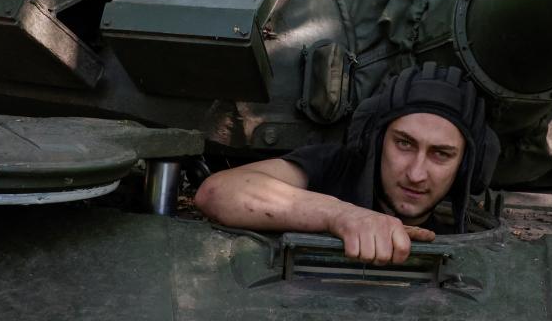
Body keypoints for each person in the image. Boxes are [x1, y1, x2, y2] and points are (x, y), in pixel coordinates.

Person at [195, 62, 500, 266]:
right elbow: (218, 193)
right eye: (404, 144)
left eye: (441, 154)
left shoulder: (464, 225)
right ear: (376, 140)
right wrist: (342, 216)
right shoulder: (332, 167)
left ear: (465, 164)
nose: (416, 173)